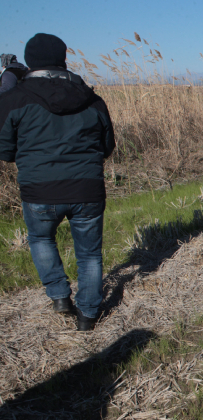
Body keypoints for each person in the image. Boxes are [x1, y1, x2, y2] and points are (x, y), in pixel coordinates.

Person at [0, 34, 115, 331]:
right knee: (89, 253)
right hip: (87, 188)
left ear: (31, 61)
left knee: (40, 239)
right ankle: (88, 316)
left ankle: (60, 297)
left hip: (39, 189)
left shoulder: (13, 99)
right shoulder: (92, 98)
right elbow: (106, 146)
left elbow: (5, 152)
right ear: (64, 58)